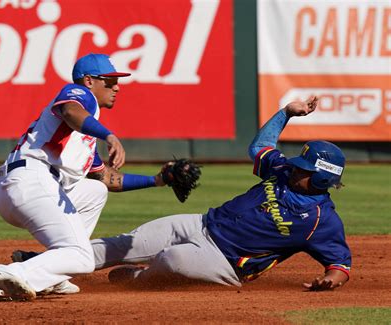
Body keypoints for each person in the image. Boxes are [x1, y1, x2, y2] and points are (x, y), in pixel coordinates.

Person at [87, 96, 351, 291]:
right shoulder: (282, 170)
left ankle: (139, 280)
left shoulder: (321, 220)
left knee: (172, 258)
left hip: (224, 262)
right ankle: (55, 263)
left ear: (322, 178)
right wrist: (286, 113)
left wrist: (330, 280)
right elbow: (260, 146)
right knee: (127, 242)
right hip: (202, 223)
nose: (295, 169)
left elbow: (340, 265)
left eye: (303, 169)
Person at [0, 53, 170, 300]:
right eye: (109, 81)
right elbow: (71, 111)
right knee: (82, 256)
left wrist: (157, 180)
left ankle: (55, 275)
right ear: (89, 81)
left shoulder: (83, 141)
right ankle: (15, 273)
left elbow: (106, 178)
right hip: (32, 181)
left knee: (95, 192)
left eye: (117, 81)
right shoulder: (80, 95)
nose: (117, 87)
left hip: (24, 187)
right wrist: (109, 136)